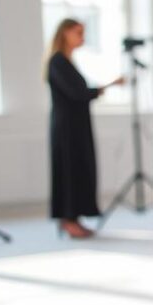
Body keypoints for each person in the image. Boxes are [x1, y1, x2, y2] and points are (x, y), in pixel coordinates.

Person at [45, 18, 124, 239]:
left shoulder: (67, 62)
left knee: (79, 170)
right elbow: (78, 94)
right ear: (65, 33)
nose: (82, 37)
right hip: (67, 129)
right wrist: (108, 85)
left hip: (77, 125)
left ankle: (75, 218)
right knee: (70, 171)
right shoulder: (57, 62)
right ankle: (68, 219)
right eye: (78, 32)